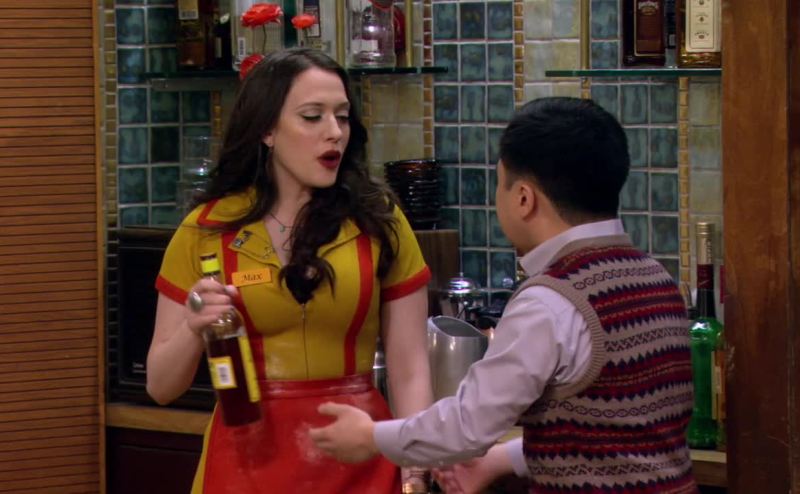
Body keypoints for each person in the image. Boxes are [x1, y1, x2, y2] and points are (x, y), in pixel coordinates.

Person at [310, 97, 698, 493]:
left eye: (500, 184)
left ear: (524, 198)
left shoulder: (549, 302)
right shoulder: (658, 279)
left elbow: (467, 426)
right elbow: (619, 432)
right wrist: (502, 459)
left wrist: (372, 437)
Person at [145, 47, 434, 494]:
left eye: (342, 117)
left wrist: (416, 466)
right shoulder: (206, 229)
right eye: (312, 117)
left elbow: (410, 368)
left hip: (360, 458)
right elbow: (161, 386)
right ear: (267, 130)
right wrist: (193, 326)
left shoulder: (380, 222)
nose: (334, 132)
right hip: (244, 463)